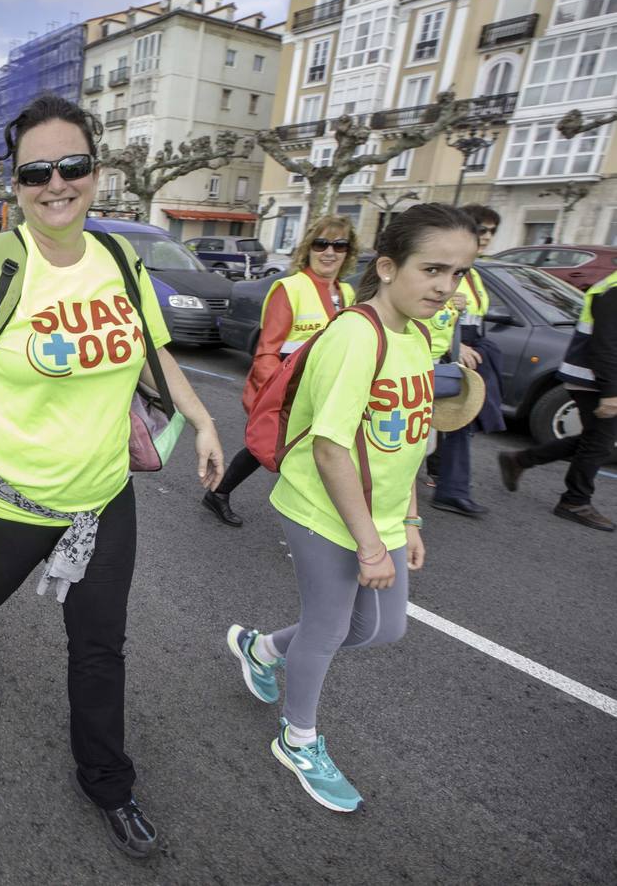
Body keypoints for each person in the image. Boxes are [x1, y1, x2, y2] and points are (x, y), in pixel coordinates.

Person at [0, 95, 224, 858]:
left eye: (74, 165)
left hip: (102, 498)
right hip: (3, 497)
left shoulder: (122, 261)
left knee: (100, 646)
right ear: (17, 184)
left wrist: (202, 420)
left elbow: (156, 353)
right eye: (37, 170)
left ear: (97, 172)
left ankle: (108, 782)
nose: (57, 183)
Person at [225, 203, 477, 813]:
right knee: (330, 625)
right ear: (388, 268)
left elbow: (410, 437)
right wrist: (369, 544)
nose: (446, 286)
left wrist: (409, 519)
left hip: (379, 513)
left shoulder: (416, 337)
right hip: (321, 508)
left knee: (382, 628)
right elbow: (333, 450)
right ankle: (299, 737)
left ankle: (260, 649)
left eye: (460, 272)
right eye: (433, 269)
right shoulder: (354, 336)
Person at [202, 217, 358, 526]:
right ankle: (223, 495)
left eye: (339, 245)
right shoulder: (290, 288)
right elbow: (267, 351)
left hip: (327, 389)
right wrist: (275, 397)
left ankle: (220, 493)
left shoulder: (348, 294)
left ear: (348, 252)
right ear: (308, 248)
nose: (330, 252)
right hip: (291, 389)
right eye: (321, 244)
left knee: (296, 449)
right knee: (273, 447)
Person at [499, 271, 617, 531]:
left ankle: (521, 460)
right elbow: (605, 344)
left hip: (598, 379)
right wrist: (610, 392)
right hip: (592, 380)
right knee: (599, 443)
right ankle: (575, 501)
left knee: (597, 441)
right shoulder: (612, 290)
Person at [430, 204, 505, 517]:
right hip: (443, 356)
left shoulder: (473, 273)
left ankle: (448, 484)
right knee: (448, 422)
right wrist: (453, 345)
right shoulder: (445, 268)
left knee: (456, 422)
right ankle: (450, 487)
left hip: (466, 354)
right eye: (480, 229)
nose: (486, 237)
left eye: (491, 231)